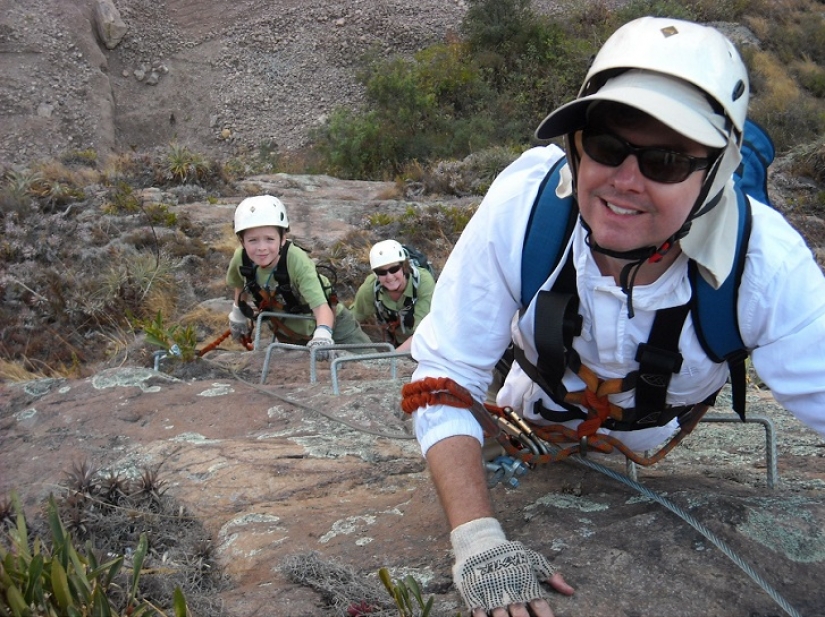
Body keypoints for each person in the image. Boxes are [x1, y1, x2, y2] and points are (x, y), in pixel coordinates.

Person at [406, 16, 825, 617]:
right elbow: (445, 373)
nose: (624, 182)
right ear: (577, 146)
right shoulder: (526, 208)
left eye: (667, 161)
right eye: (606, 147)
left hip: (648, 436)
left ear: (718, 173)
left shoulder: (765, 266)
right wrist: (477, 540)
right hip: (528, 414)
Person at [226, 195, 372, 359]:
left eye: (269, 239)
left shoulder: (296, 260)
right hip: (289, 330)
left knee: (372, 360)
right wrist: (237, 316)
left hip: (335, 324)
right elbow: (239, 285)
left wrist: (323, 335)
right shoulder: (241, 259)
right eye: (253, 240)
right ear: (242, 241)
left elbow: (321, 307)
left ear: (282, 239)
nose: (261, 248)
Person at [350, 239, 436, 352]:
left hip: (427, 343)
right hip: (396, 342)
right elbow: (353, 318)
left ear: (404, 267)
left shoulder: (423, 283)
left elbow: (423, 335)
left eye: (394, 269)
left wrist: (391, 359)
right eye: (382, 272)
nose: (389, 277)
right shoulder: (370, 288)